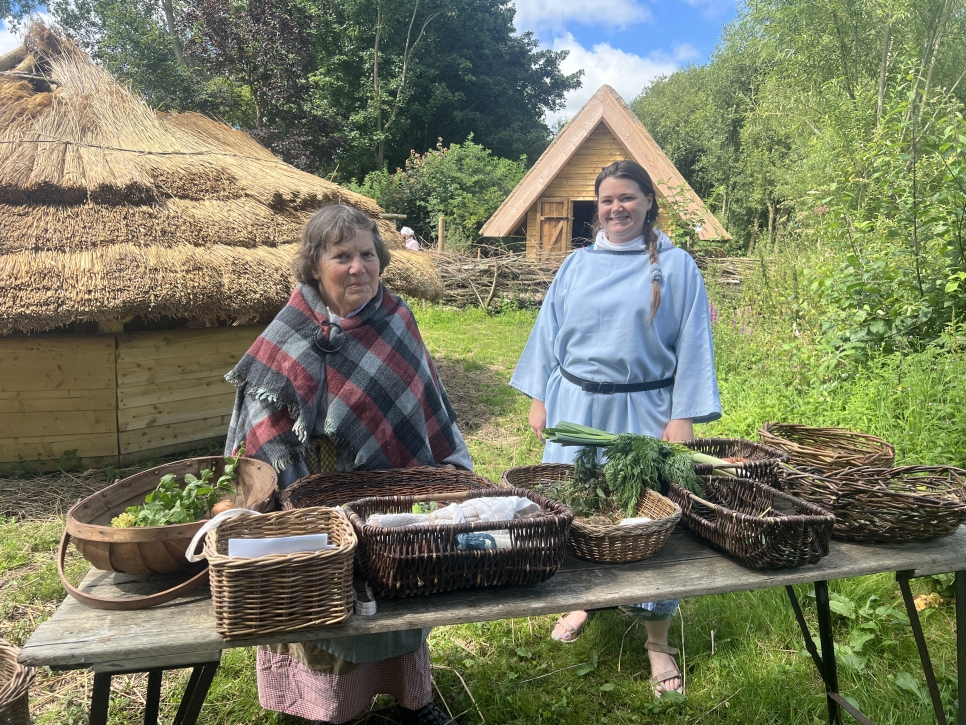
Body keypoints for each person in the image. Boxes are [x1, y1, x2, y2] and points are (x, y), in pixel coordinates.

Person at [225, 204, 470, 725]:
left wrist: (451, 467)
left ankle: (413, 701)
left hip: (385, 496)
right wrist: (283, 494)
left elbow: (427, 401)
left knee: (397, 593)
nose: (358, 267)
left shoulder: (396, 320)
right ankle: (326, 709)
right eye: (342, 256)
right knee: (322, 600)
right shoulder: (288, 330)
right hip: (307, 499)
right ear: (315, 265)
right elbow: (261, 422)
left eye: (366, 254)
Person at [509, 160, 721, 697]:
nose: (616, 208)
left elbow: (694, 346)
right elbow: (548, 332)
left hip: (643, 412)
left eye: (627, 197)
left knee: (645, 521)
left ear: (649, 202)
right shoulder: (577, 265)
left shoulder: (676, 269)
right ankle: (584, 598)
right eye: (607, 200)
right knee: (576, 508)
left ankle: (657, 640)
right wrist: (540, 396)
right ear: (596, 207)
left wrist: (682, 417)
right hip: (575, 409)